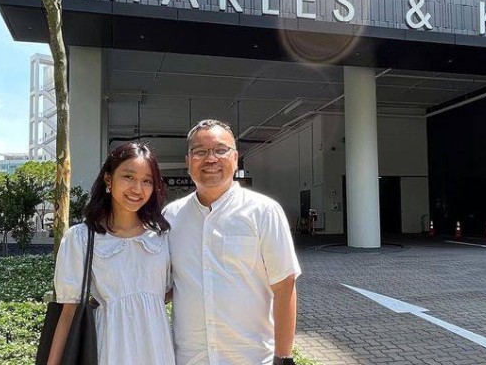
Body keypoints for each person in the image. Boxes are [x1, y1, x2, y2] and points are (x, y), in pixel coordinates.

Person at [165, 119, 301, 365]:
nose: (211, 159)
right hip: (189, 358)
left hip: (251, 358)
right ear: (188, 161)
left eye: (220, 150)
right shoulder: (171, 217)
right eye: (200, 152)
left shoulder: (264, 211)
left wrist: (283, 357)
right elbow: (164, 285)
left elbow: (284, 286)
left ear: (236, 158)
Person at [47, 142, 175, 365]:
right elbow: (68, 314)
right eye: (128, 176)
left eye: (147, 181)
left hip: (158, 348)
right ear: (108, 179)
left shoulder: (163, 236)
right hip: (109, 347)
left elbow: (170, 291)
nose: (137, 188)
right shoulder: (82, 237)